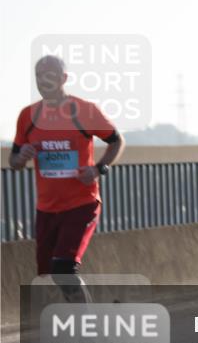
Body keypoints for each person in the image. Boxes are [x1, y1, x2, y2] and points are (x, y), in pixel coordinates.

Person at [9, 55, 125, 302]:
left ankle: (88, 327)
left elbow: (116, 141)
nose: (43, 81)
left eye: (49, 75)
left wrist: (98, 169)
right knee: (52, 272)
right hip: (47, 209)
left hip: (82, 203)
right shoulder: (28, 116)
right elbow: (14, 161)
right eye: (39, 76)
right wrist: (23, 157)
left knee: (64, 268)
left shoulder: (85, 111)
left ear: (63, 78)